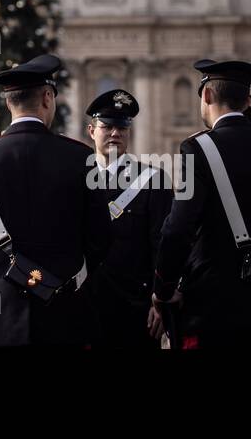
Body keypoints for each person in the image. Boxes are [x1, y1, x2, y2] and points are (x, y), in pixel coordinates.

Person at [0, 54, 110, 347]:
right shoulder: (80, 157)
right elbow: (101, 239)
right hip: (64, 306)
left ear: (7, 103)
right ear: (46, 98)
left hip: (0, 313)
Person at [152, 60, 251, 349]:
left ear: (206, 96)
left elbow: (178, 230)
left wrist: (164, 289)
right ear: (247, 102)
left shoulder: (196, 148)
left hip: (210, 302)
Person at [85, 88, 172, 349]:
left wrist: (160, 300)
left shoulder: (153, 180)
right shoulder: (75, 177)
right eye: (108, 126)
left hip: (136, 308)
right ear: (92, 130)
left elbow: (162, 244)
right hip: (86, 307)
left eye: (122, 128)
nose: (115, 133)